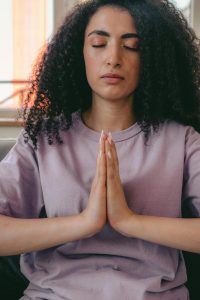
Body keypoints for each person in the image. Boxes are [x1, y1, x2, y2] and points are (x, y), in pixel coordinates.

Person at [0, 0, 200, 299]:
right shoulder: (42, 139)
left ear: (154, 57)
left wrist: (129, 221)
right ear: (79, 52)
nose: (113, 58)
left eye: (132, 46)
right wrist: (85, 223)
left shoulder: (182, 140)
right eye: (98, 43)